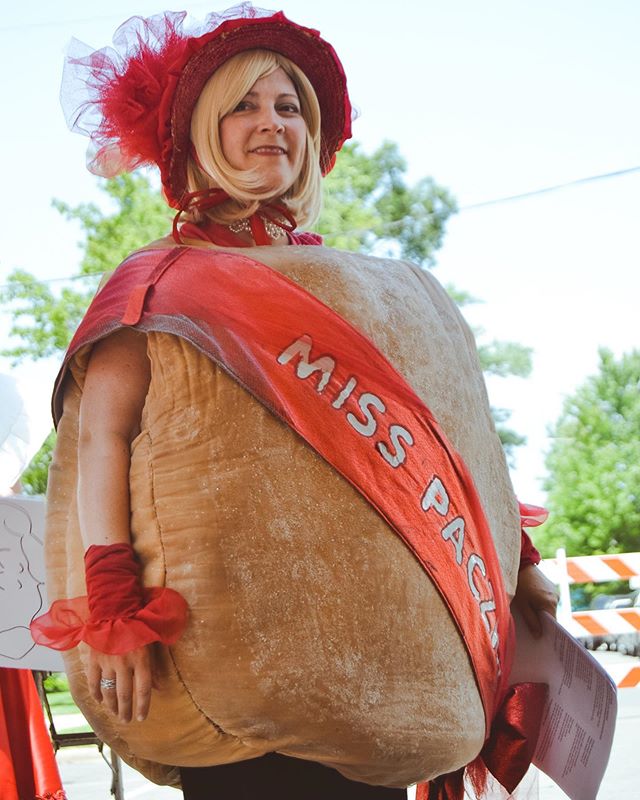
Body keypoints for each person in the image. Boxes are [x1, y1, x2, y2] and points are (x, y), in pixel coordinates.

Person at [32, 6, 558, 800]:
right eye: (243, 105)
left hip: (379, 675)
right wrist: (112, 604)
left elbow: (453, 441)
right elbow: (100, 439)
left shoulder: (377, 291)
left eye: (288, 107)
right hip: (234, 676)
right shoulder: (160, 281)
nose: (271, 123)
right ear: (204, 132)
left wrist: (515, 570)